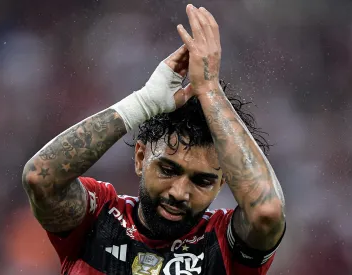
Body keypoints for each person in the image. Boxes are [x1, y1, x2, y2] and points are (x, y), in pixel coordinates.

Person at [22, 5, 285, 275]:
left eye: (202, 180)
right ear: (140, 158)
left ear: (222, 182)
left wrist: (209, 89)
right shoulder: (98, 216)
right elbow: (41, 178)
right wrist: (143, 102)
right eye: (168, 169)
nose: (179, 193)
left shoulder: (222, 244)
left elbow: (267, 212)